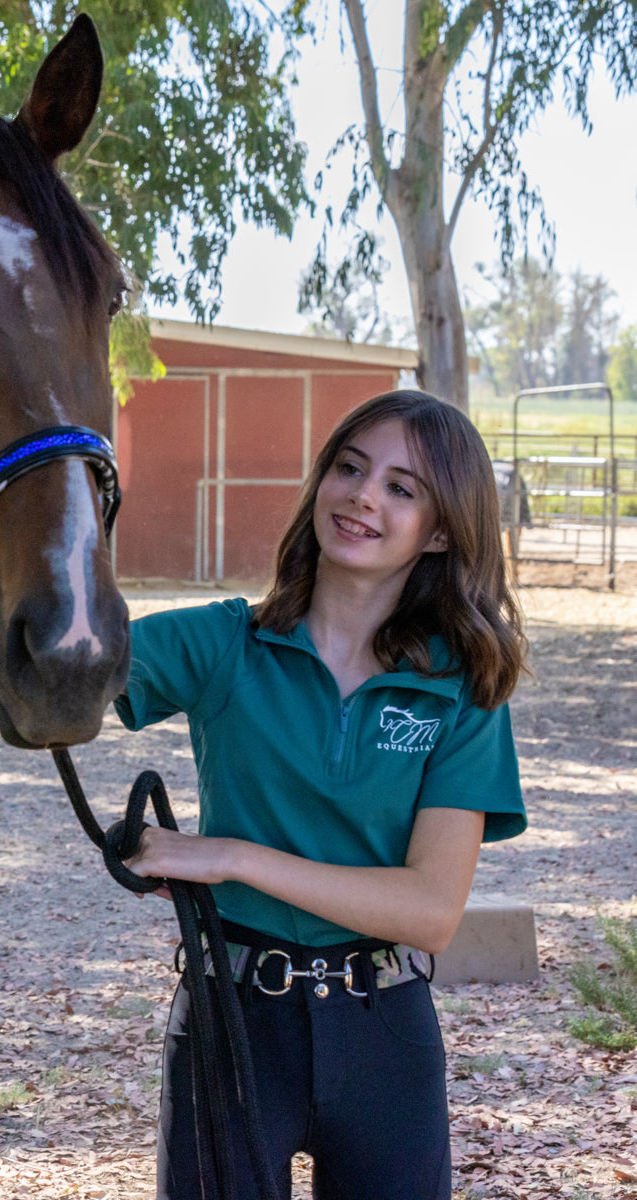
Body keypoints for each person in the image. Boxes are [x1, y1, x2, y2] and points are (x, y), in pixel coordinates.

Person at [116, 389, 528, 1200]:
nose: (363, 495)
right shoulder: (224, 642)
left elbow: (429, 911)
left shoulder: (461, 689)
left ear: (441, 530)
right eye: (350, 467)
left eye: (403, 488)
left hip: (387, 1037)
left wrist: (230, 857)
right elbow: (6, 667)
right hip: (230, 1023)